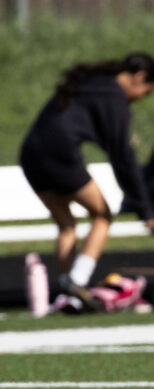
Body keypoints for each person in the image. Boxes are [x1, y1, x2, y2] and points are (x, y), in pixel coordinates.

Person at [20, 52, 154, 310]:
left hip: (31, 156)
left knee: (66, 225)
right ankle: (76, 283)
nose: (141, 98)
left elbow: (79, 123)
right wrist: (146, 210)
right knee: (102, 215)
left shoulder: (93, 83)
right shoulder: (114, 97)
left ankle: (67, 295)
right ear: (140, 77)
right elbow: (123, 159)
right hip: (60, 154)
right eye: (146, 91)